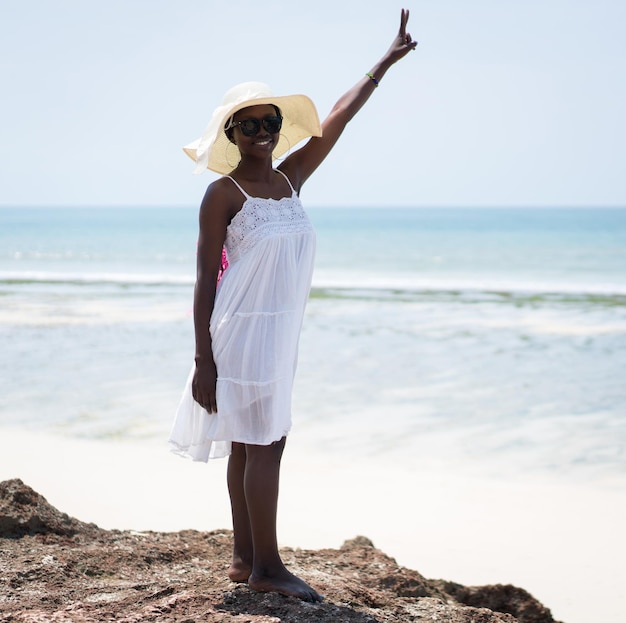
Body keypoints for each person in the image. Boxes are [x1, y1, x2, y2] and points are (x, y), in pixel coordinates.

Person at [169, 8, 417, 602]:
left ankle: (243, 556)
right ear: (231, 135)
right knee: (265, 441)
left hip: (276, 333)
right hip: (239, 332)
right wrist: (203, 359)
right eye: (248, 124)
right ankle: (269, 568)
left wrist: (382, 64)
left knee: (250, 440)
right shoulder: (220, 194)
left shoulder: (288, 179)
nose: (261, 130)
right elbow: (203, 280)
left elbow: (336, 119)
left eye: (269, 121)